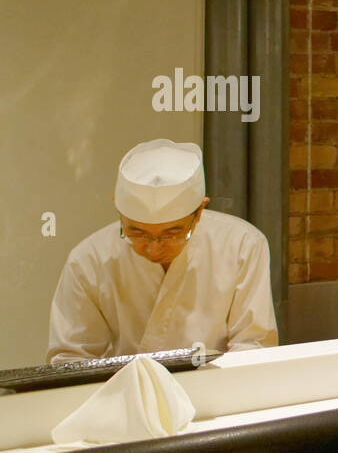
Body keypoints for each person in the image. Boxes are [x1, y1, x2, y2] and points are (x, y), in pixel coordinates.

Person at [47, 138, 278, 363]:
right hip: (122, 395)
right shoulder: (88, 260)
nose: (154, 248)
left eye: (171, 234)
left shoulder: (242, 245)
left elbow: (253, 347)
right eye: (137, 233)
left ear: (199, 213)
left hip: (215, 390)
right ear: (119, 210)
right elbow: (71, 358)